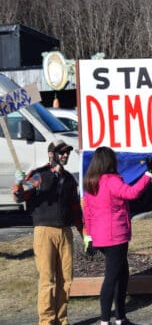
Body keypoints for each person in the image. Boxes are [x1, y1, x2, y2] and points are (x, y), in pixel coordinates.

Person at [12, 139, 85, 325]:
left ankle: (62, 319)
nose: (65, 155)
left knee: (66, 280)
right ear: (51, 154)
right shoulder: (39, 176)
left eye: (67, 152)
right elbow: (20, 196)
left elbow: (76, 209)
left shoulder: (69, 179)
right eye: (61, 152)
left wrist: (84, 232)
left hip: (65, 232)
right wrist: (18, 184)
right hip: (44, 231)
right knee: (48, 279)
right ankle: (46, 321)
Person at [83, 147, 152, 325]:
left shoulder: (91, 182)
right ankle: (105, 320)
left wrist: (90, 236)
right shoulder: (111, 180)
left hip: (101, 236)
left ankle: (120, 318)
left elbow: (88, 212)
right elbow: (131, 193)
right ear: (110, 162)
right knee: (112, 278)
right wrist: (147, 176)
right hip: (115, 235)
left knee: (122, 275)